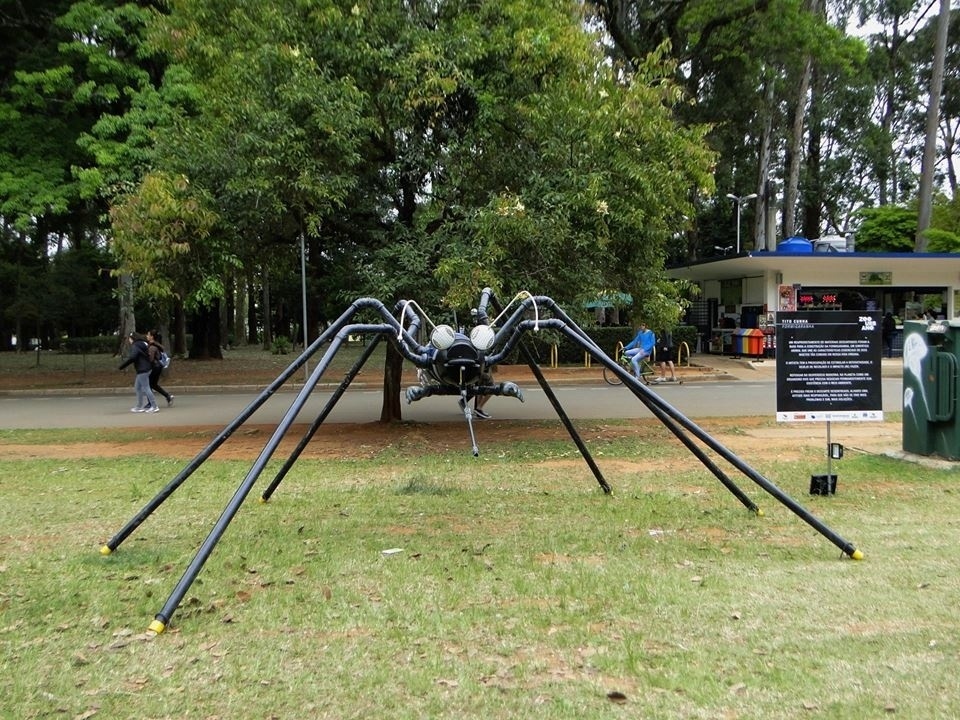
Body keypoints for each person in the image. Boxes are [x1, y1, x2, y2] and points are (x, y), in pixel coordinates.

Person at [118, 332, 159, 413]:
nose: (129, 340)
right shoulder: (143, 343)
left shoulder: (135, 345)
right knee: (137, 387)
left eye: (129, 338)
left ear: (132, 338)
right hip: (147, 367)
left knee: (146, 388)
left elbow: (133, 357)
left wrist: (122, 366)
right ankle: (139, 406)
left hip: (142, 369)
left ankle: (154, 406)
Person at [146, 330, 174, 407]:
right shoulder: (157, 345)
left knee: (148, 385)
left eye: (148, 335)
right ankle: (168, 396)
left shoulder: (152, 346)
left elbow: (150, 359)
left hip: (154, 367)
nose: (146, 336)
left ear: (152, 336)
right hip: (159, 367)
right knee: (154, 385)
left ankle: (150, 403)